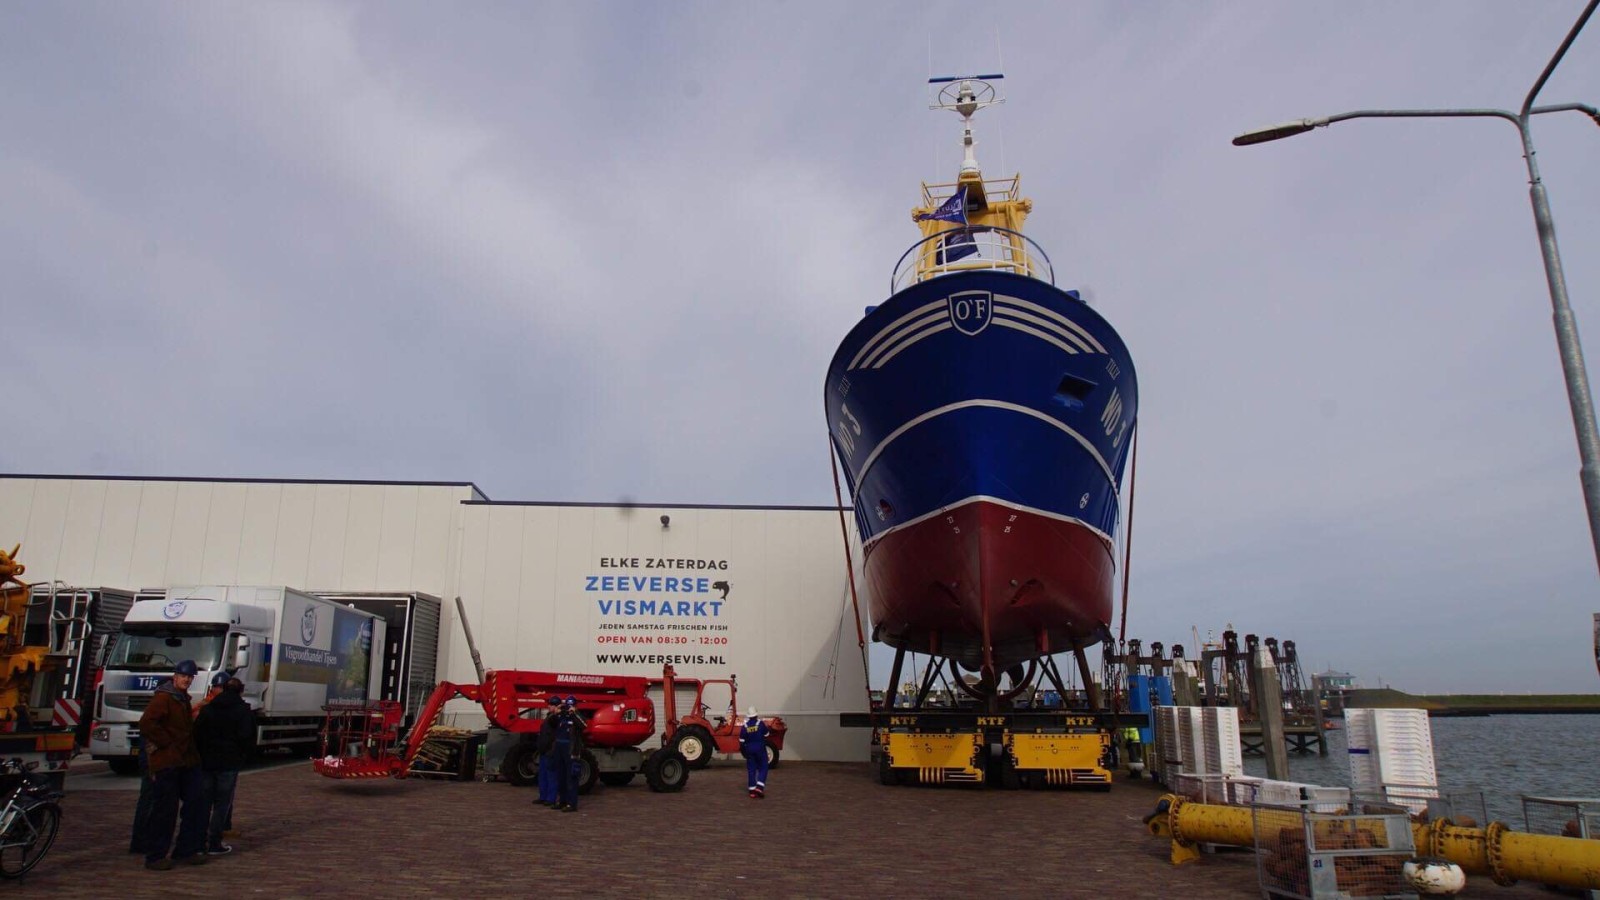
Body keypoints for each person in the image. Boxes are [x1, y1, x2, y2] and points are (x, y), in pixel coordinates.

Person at [137, 659, 208, 870]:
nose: (187, 680)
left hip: (184, 760)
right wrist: (166, 743)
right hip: (168, 761)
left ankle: (186, 849)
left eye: (190, 677)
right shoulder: (164, 698)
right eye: (184, 676)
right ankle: (156, 855)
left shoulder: (181, 699)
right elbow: (147, 723)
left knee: (195, 802)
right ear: (175, 676)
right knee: (165, 810)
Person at [193, 677, 252, 856]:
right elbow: (247, 738)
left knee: (204, 802)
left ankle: (198, 842)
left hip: (207, 761)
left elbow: (197, 734)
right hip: (229, 762)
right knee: (222, 804)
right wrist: (241, 757)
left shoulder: (208, 709)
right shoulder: (243, 711)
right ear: (240, 690)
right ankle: (214, 842)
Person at [550, 695, 586, 812]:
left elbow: (583, 725)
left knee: (571, 777)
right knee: (561, 777)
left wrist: (574, 713)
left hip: (571, 750)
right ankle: (562, 801)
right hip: (560, 749)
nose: (569, 707)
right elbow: (551, 723)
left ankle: (572, 803)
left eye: (572, 705)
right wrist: (557, 711)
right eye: (568, 705)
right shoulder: (562, 715)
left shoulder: (577, 716)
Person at [534, 696, 561, 808]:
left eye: (551, 704)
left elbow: (555, 723)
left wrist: (558, 711)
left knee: (551, 775)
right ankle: (543, 796)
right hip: (544, 750)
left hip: (550, 750)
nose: (548, 706)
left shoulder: (556, 718)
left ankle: (551, 798)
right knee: (543, 775)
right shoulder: (549, 717)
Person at [739, 706, 770, 799]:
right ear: (756, 715)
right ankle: (759, 787)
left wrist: (744, 753)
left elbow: (741, 741)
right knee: (764, 767)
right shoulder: (760, 724)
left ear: (748, 716)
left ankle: (752, 790)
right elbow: (767, 734)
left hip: (749, 750)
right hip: (760, 749)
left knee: (751, 769)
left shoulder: (744, 727)